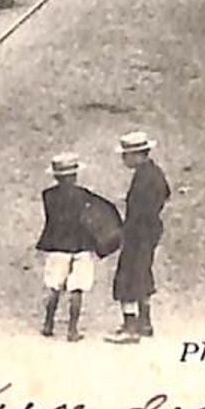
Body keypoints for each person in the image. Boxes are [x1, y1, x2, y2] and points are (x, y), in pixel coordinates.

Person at [34, 153, 121, 342]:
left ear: (56, 176)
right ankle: (72, 330)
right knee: (77, 289)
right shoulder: (84, 196)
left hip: (57, 246)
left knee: (54, 287)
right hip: (81, 246)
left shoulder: (48, 196)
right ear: (75, 175)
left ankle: (48, 324)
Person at [109, 131, 172, 343]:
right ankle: (145, 322)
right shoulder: (155, 173)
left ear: (137, 155)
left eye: (126, 155)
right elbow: (166, 193)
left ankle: (130, 326)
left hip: (138, 230)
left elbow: (138, 209)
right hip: (151, 228)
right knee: (143, 272)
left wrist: (126, 227)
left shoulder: (143, 177)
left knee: (128, 274)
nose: (124, 160)